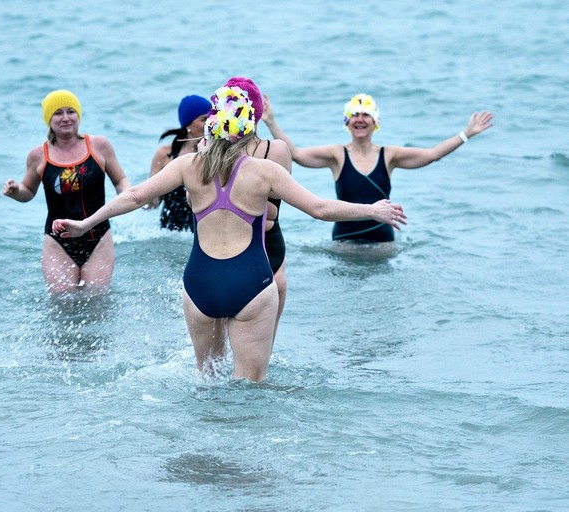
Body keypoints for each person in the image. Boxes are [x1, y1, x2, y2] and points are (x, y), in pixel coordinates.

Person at [51, 80, 406, 382]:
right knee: (250, 390)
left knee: (207, 382)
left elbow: (134, 195)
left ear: (211, 125)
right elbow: (320, 208)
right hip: (250, 284)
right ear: (249, 127)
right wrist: (372, 209)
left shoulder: (189, 165)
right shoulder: (264, 171)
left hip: (199, 286)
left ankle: (203, 453)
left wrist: (85, 223)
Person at [262, 93, 493, 248]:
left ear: (375, 122)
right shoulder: (336, 155)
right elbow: (298, 155)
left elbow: (432, 155)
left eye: (366, 115)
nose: (360, 119)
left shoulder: (389, 156)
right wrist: (271, 121)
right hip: (344, 243)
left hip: (383, 244)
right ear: (347, 121)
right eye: (355, 115)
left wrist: (467, 133)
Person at [2, 90, 131, 295]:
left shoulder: (99, 146)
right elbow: (28, 191)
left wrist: (128, 195)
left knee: (96, 300)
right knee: (62, 303)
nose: (65, 118)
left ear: (78, 115)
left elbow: (120, 180)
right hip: (57, 240)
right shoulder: (38, 155)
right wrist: (15, 191)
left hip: (97, 235)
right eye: (58, 113)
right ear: (48, 119)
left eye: (71, 111)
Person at [223, 77, 293, 339]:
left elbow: (272, 209)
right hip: (223, 245)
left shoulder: (276, 150)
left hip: (267, 245)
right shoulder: (212, 151)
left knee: (263, 351)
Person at [147, 94, 212, 231]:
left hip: (205, 229)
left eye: (211, 118)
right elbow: (153, 201)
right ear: (187, 124)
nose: (210, 124)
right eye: (204, 119)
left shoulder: (215, 153)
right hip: (170, 231)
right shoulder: (164, 155)